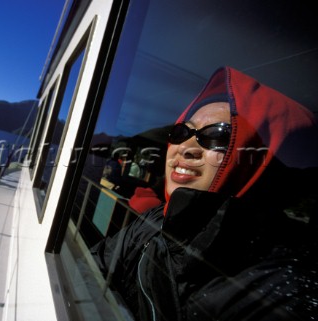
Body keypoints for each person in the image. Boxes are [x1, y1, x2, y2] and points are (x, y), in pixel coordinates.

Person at [91, 66, 318, 320]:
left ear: (257, 159)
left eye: (218, 135)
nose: (186, 147)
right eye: (181, 132)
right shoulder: (155, 221)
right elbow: (90, 269)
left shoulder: (282, 291)